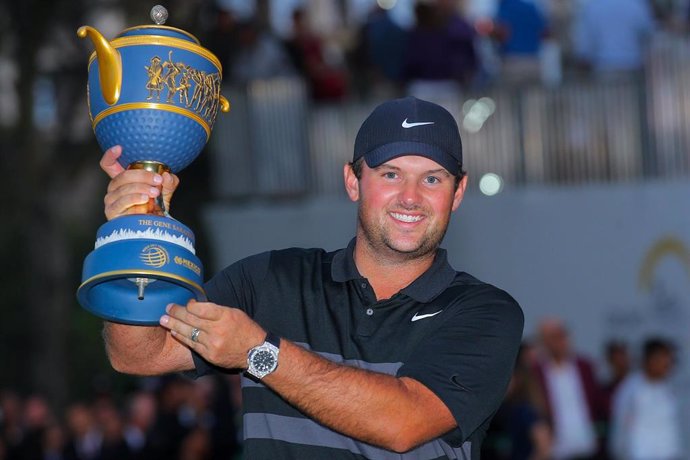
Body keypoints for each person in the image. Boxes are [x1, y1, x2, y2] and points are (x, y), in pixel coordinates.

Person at [97, 96, 524, 459]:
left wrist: (259, 353)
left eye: (432, 178)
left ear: (459, 192)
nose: (410, 197)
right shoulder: (270, 279)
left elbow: (402, 422)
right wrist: (134, 235)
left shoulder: (485, 313)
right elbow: (139, 355)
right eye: (390, 174)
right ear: (353, 182)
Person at [532, 318, 605, 460]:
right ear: (543, 342)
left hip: (587, 445)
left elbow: (598, 400)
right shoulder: (537, 371)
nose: (560, 342)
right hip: (555, 450)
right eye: (553, 337)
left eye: (562, 336)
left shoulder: (584, 366)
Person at [608, 337, 682, 460]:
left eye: (670, 359)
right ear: (651, 360)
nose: (668, 364)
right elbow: (620, 434)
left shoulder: (667, 390)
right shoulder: (630, 390)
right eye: (665, 359)